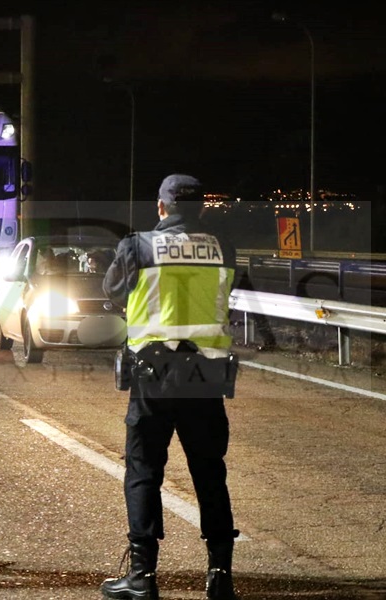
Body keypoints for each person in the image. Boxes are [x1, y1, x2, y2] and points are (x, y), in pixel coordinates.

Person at [100, 174, 241, 600]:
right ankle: (220, 575)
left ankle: (142, 576)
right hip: (205, 374)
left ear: (161, 207)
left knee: (143, 471)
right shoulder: (222, 248)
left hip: (153, 376)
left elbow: (112, 291)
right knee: (210, 472)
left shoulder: (137, 246)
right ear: (200, 209)